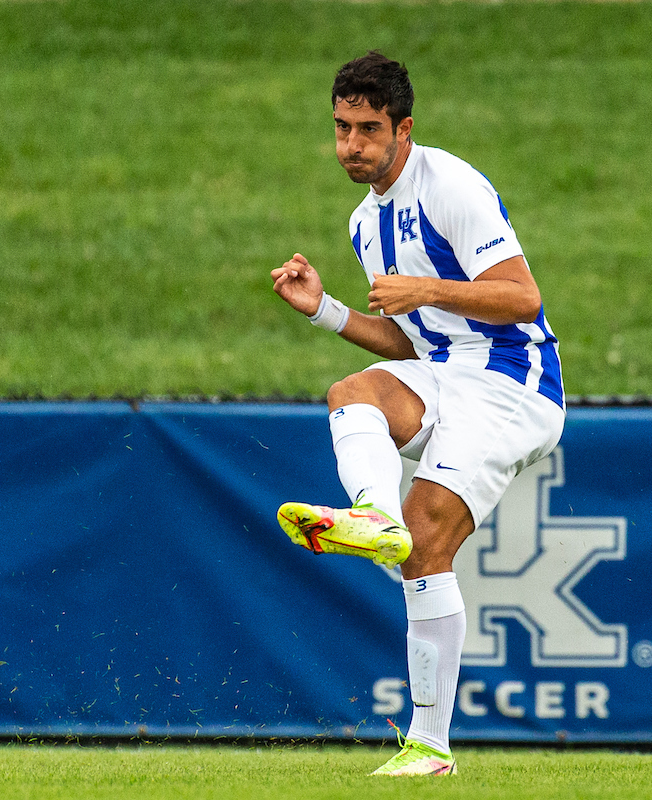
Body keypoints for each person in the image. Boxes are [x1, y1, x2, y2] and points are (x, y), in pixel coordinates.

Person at [270, 51, 564, 776]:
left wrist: (428, 288)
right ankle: (374, 515)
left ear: (405, 129)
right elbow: (409, 339)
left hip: (511, 386)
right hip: (445, 374)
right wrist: (326, 311)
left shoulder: (451, 183)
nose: (351, 145)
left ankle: (431, 742)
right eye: (341, 128)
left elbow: (522, 298)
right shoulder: (363, 223)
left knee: (429, 534)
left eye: (368, 129)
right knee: (353, 393)